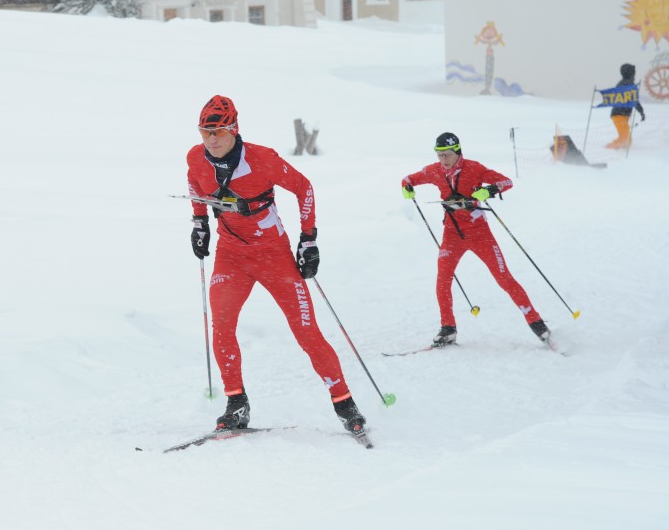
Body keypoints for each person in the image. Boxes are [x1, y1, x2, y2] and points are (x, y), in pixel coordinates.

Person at [186, 95, 366, 435]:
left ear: (235, 129)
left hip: (273, 255)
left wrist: (308, 239)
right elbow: (195, 187)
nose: (212, 138)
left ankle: (345, 403)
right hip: (231, 256)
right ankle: (236, 404)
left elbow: (304, 188)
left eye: (219, 130)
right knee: (222, 326)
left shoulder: (262, 159)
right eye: (205, 131)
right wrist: (200, 225)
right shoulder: (196, 158)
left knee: (305, 331)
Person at [401, 132, 550, 346]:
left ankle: (537, 324)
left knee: (503, 278)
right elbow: (408, 179)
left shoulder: (474, 168)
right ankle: (448, 328)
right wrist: (406, 186)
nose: (443, 160)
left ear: (458, 152)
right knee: (443, 278)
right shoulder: (434, 171)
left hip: (480, 234)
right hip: (452, 234)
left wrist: (488, 190)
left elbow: (506, 181)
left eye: (447, 154)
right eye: (439, 155)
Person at [605, 63, 645, 150]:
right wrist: (641, 111)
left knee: (628, 140)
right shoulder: (625, 84)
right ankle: (607, 150)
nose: (634, 74)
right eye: (633, 72)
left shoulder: (626, 83)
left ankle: (621, 152)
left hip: (623, 115)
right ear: (629, 73)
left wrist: (641, 111)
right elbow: (634, 100)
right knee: (624, 139)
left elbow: (633, 100)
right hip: (618, 115)